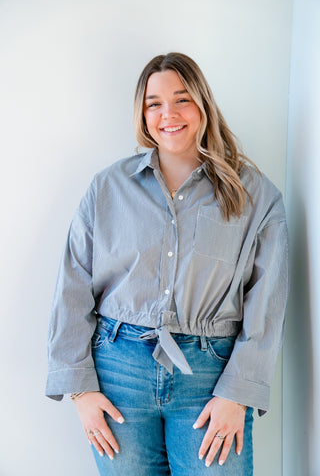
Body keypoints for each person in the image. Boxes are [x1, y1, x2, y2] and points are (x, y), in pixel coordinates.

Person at [46, 52, 288, 475]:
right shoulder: (108, 188)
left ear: (203, 105)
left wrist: (239, 394)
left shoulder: (255, 195)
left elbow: (267, 300)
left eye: (182, 99)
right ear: (142, 113)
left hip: (212, 378)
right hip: (118, 373)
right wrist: (80, 392)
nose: (168, 114)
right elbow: (72, 284)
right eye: (154, 103)